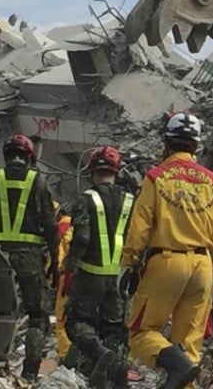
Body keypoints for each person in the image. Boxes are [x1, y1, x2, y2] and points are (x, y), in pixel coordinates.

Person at [121, 112, 213, 389]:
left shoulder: (157, 177)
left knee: (142, 333)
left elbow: (141, 225)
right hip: (203, 267)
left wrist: (129, 263)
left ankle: (175, 362)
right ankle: (181, 367)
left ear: (167, 143)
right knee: (190, 348)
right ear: (196, 146)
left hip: (167, 262)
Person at [0, 134, 59, 381]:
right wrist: (55, 262)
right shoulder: (38, 183)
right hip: (30, 259)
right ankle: (30, 372)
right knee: (38, 316)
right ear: (29, 157)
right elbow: (51, 227)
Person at [64, 146, 135, 387]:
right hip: (119, 277)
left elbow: (82, 238)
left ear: (92, 170)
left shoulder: (86, 199)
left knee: (76, 322)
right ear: (117, 171)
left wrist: (70, 270)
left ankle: (96, 350)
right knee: (115, 329)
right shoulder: (130, 200)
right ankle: (119, 378)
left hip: (90, 275)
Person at [54, 201, 74, 360]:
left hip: (66, 278)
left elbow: (60, 257)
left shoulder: (63, 229)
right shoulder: (71, 226)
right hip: (80, 278)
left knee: (61, 319)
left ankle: (66, 356)